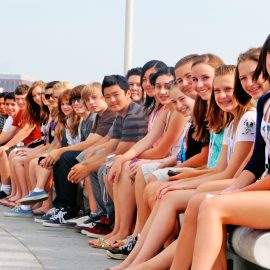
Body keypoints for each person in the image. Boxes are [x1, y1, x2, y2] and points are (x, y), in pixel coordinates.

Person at [183, 37, 270, 270]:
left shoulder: (251, 114)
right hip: (264, 191)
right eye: (243, 78)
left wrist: (237, 191)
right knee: (209, 203)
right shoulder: (264, 104)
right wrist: (232, 189)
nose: (250, 83)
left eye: (256, 74)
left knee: (213, 206)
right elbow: (256, 162)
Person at [41, 75, 148, 227]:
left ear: (127, 93)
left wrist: (88, 166)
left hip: (135, 158)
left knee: (103, 168)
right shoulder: (119, 113)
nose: (112, 100)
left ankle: (110, 220)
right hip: (124, 156)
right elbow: (111, 145)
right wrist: (86, 164)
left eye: (116, 95)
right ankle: (104, 217)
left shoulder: (133, 114)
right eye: (108, 96)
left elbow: (120, 150)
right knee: (93, 165)